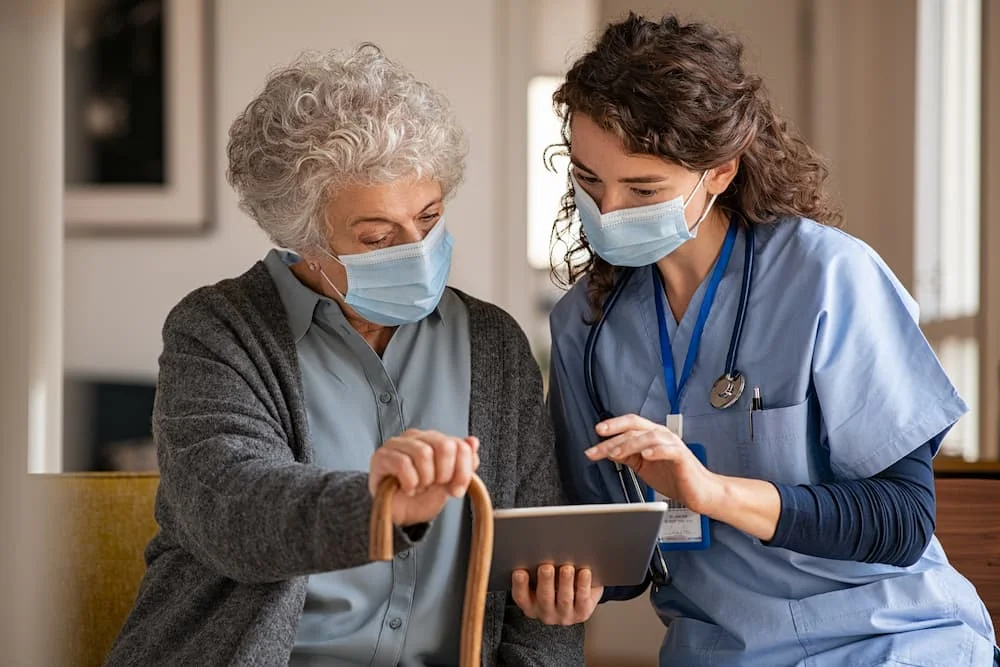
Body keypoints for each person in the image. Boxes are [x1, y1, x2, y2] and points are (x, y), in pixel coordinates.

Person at [105, 44, 597, 667]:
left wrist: (556, 602)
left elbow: (533, 551)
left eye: (429, 217)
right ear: (302, 240)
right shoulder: (218, 330)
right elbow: (230, 508)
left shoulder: (492, 342)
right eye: (377, 236)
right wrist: (378, 505)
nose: (417, 249)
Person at [546, 13, 999, 666]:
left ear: (721, 172)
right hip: (723, 652)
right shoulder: (583, 329)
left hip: (892, 641)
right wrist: (571, 583)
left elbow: (900, 518)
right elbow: (623, 557)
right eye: (589, 180)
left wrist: (711, 491)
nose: (608, 211)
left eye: (643, 189)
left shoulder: (827, 278)